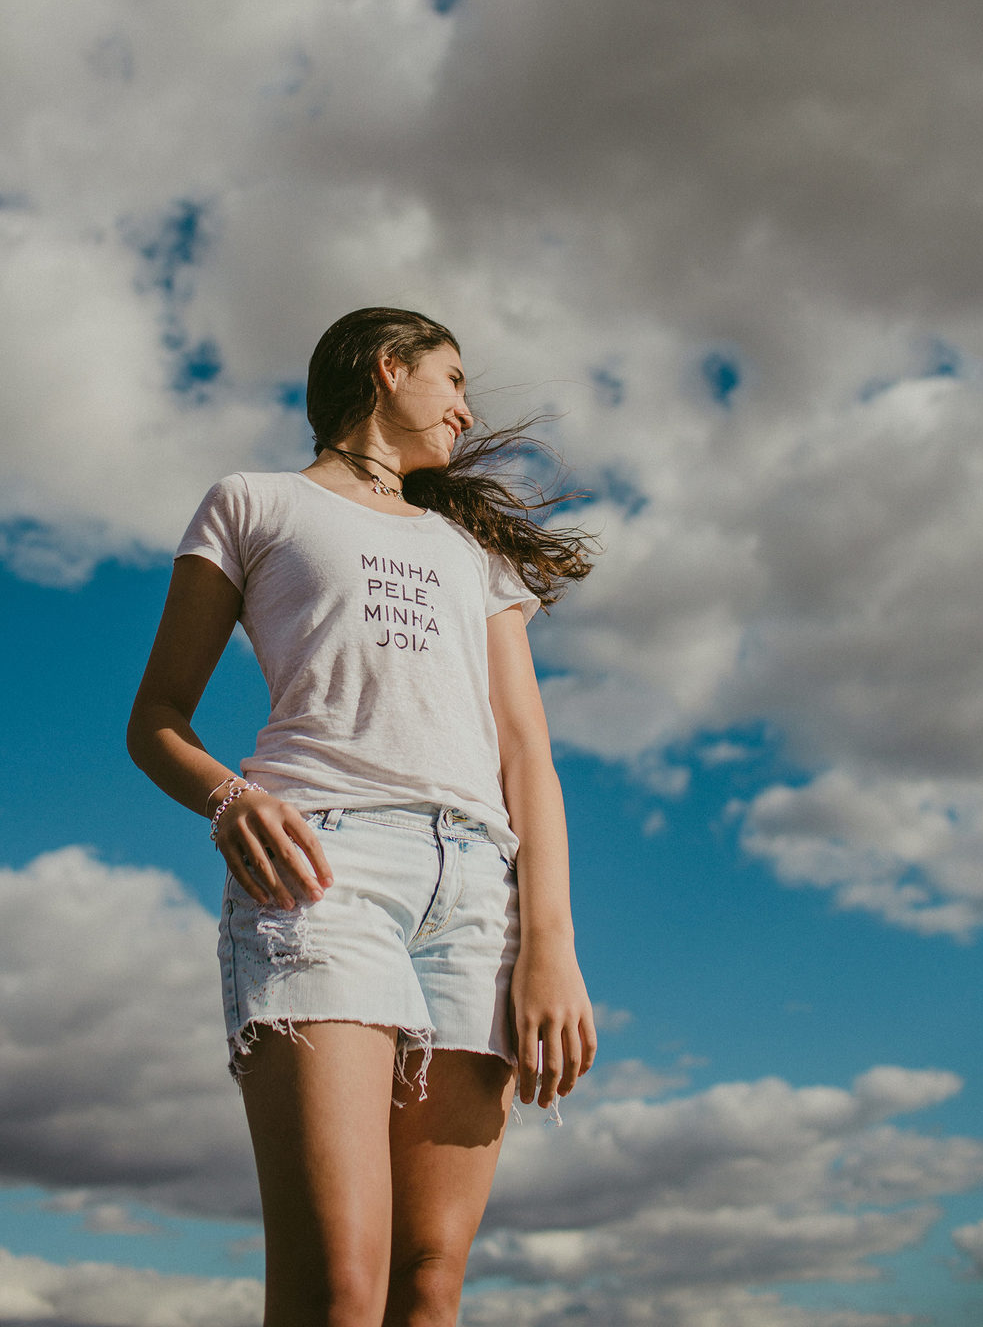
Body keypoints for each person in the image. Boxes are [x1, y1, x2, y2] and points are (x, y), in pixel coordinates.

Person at [127, 306, 597, 1327]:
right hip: (321, 873)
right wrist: (229, 797)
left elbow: (527, 751)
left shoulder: (471, 547)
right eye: (453, 379)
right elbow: (155, 718)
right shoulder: (252, 503)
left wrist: (550, 946)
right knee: (342, 1284)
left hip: (477, 894)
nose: (466, 410)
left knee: (429, 1284)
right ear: (388, 368)